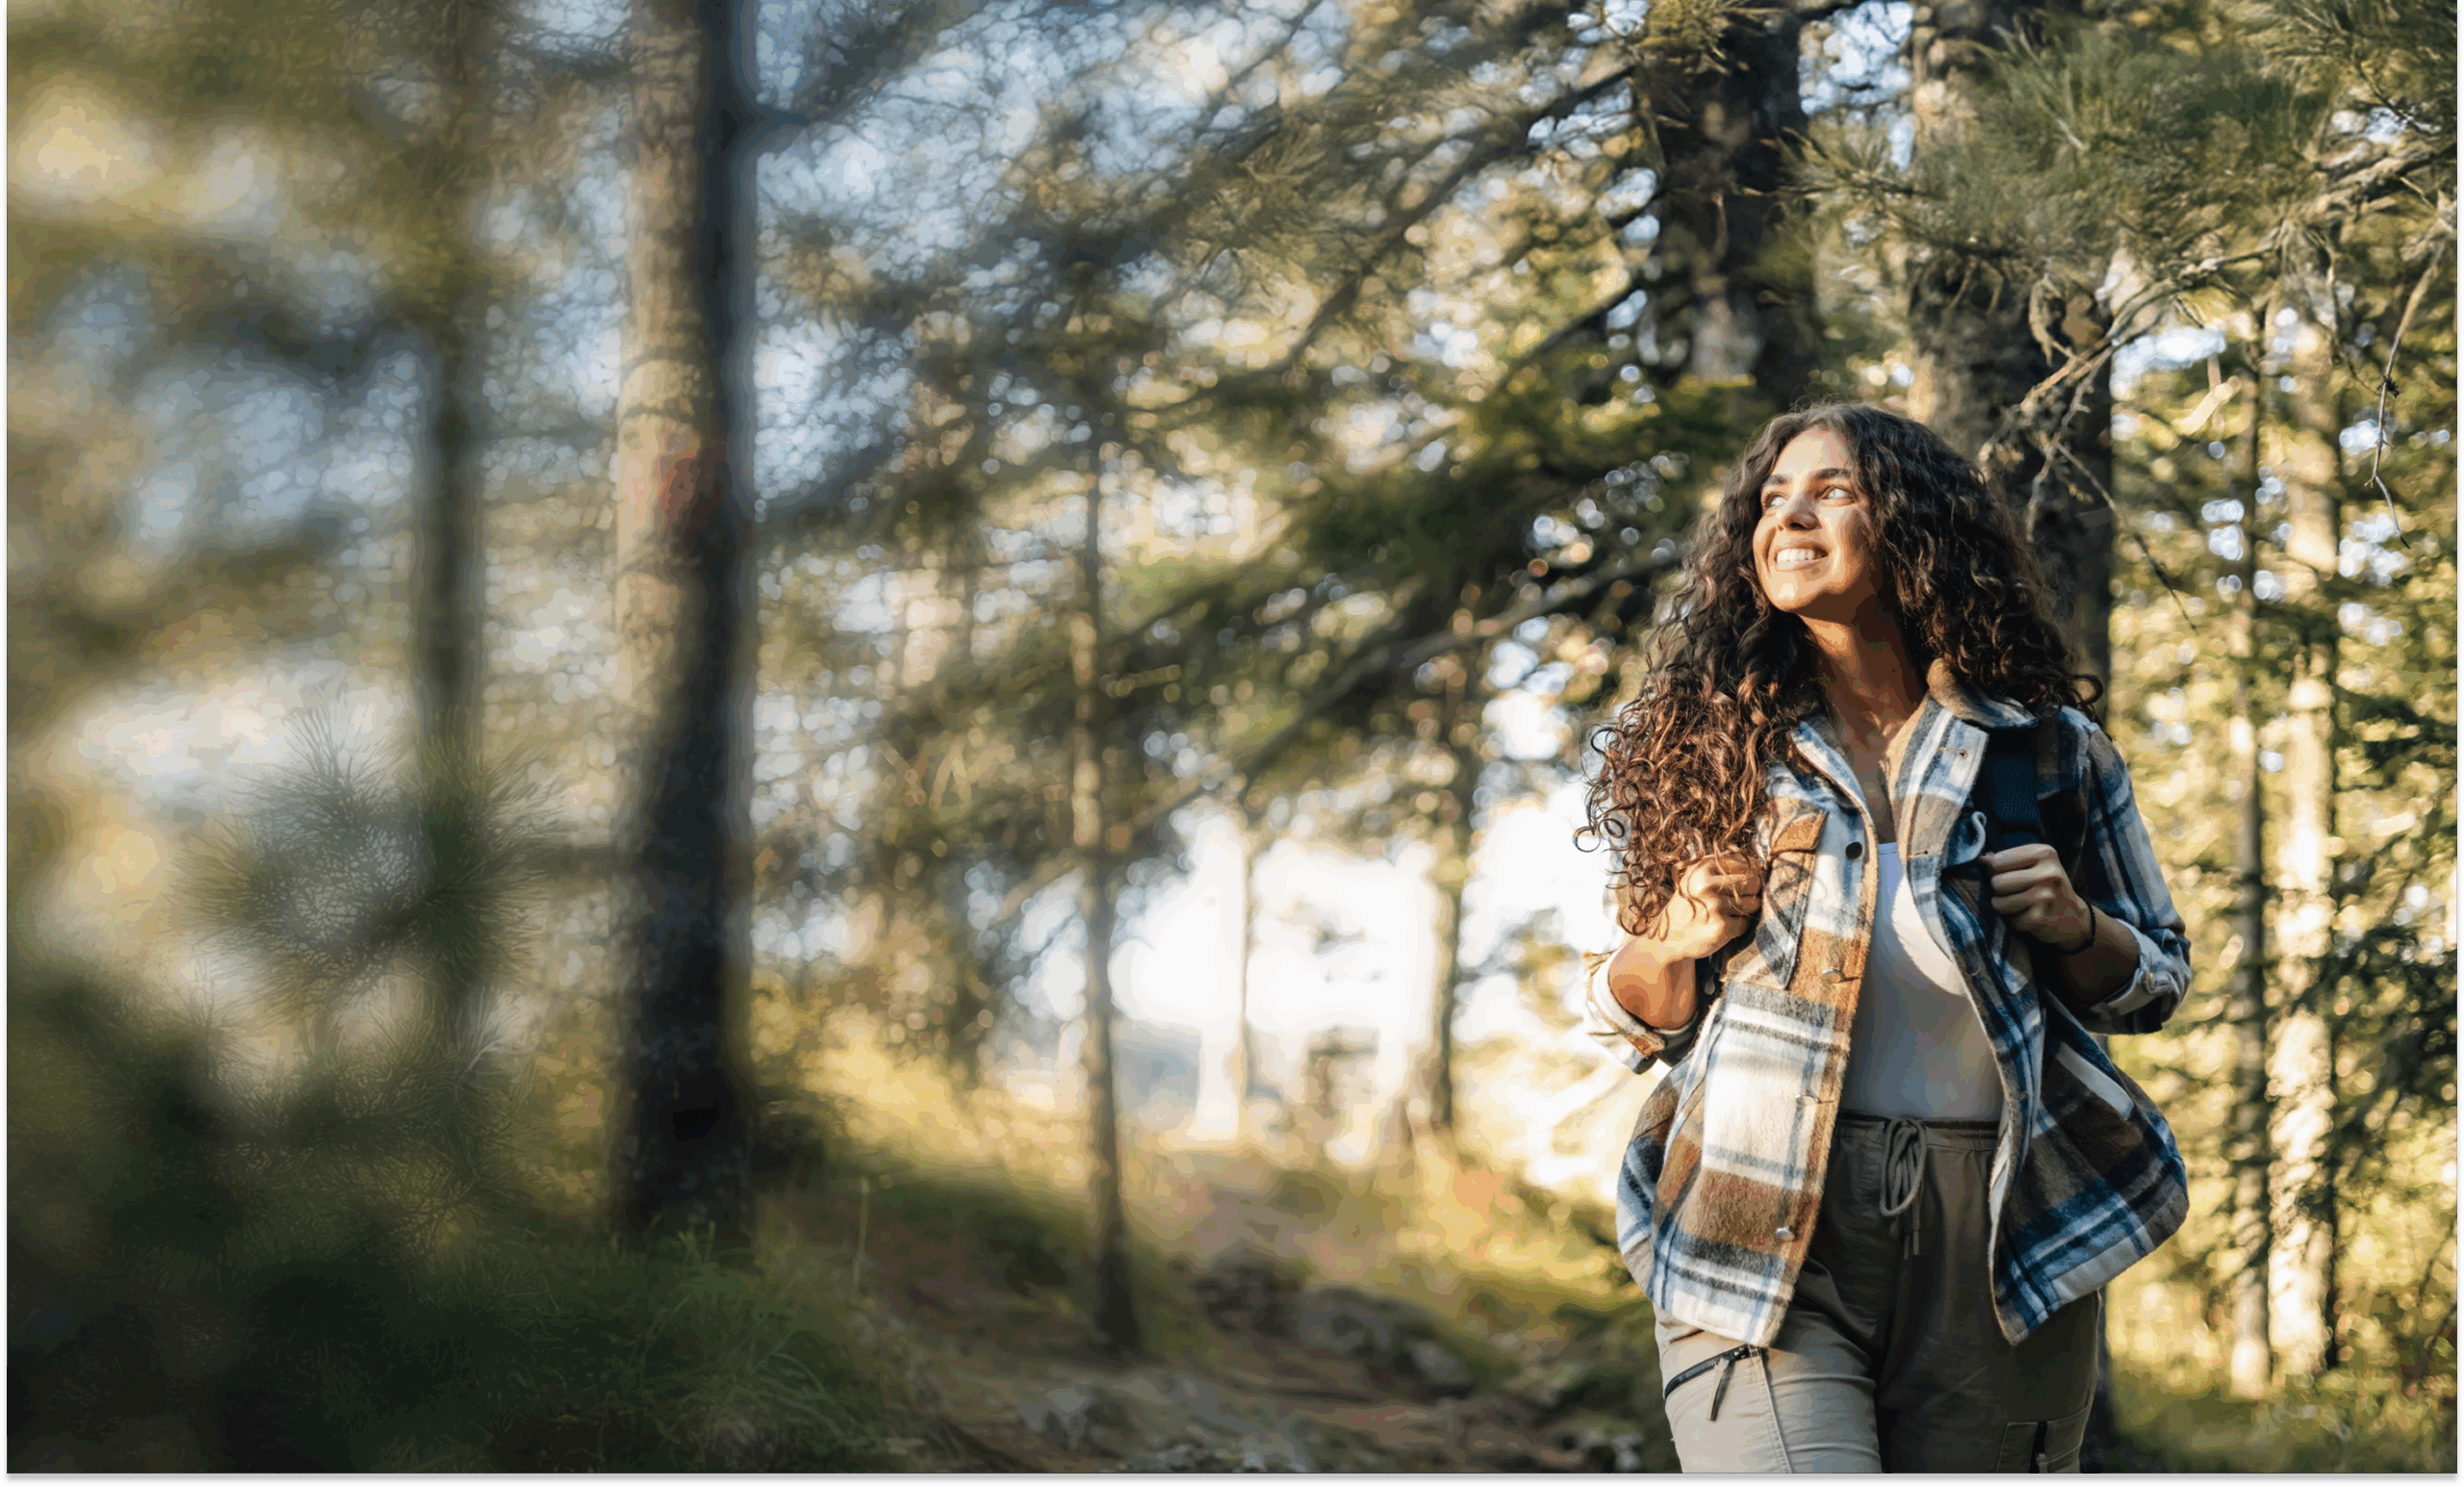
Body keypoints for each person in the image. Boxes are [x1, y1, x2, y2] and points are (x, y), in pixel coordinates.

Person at [1578, 403, 2192, 1474]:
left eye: (1832, 491)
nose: (1789, 516)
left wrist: (2075, 926)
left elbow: (2150, 984)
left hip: (2003, 1228)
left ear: (1911, 527)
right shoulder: (1714, 741)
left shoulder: (2047, 751)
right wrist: (1671, 941)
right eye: (1772, 499)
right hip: (1757, 1211)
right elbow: (1634, 1016)